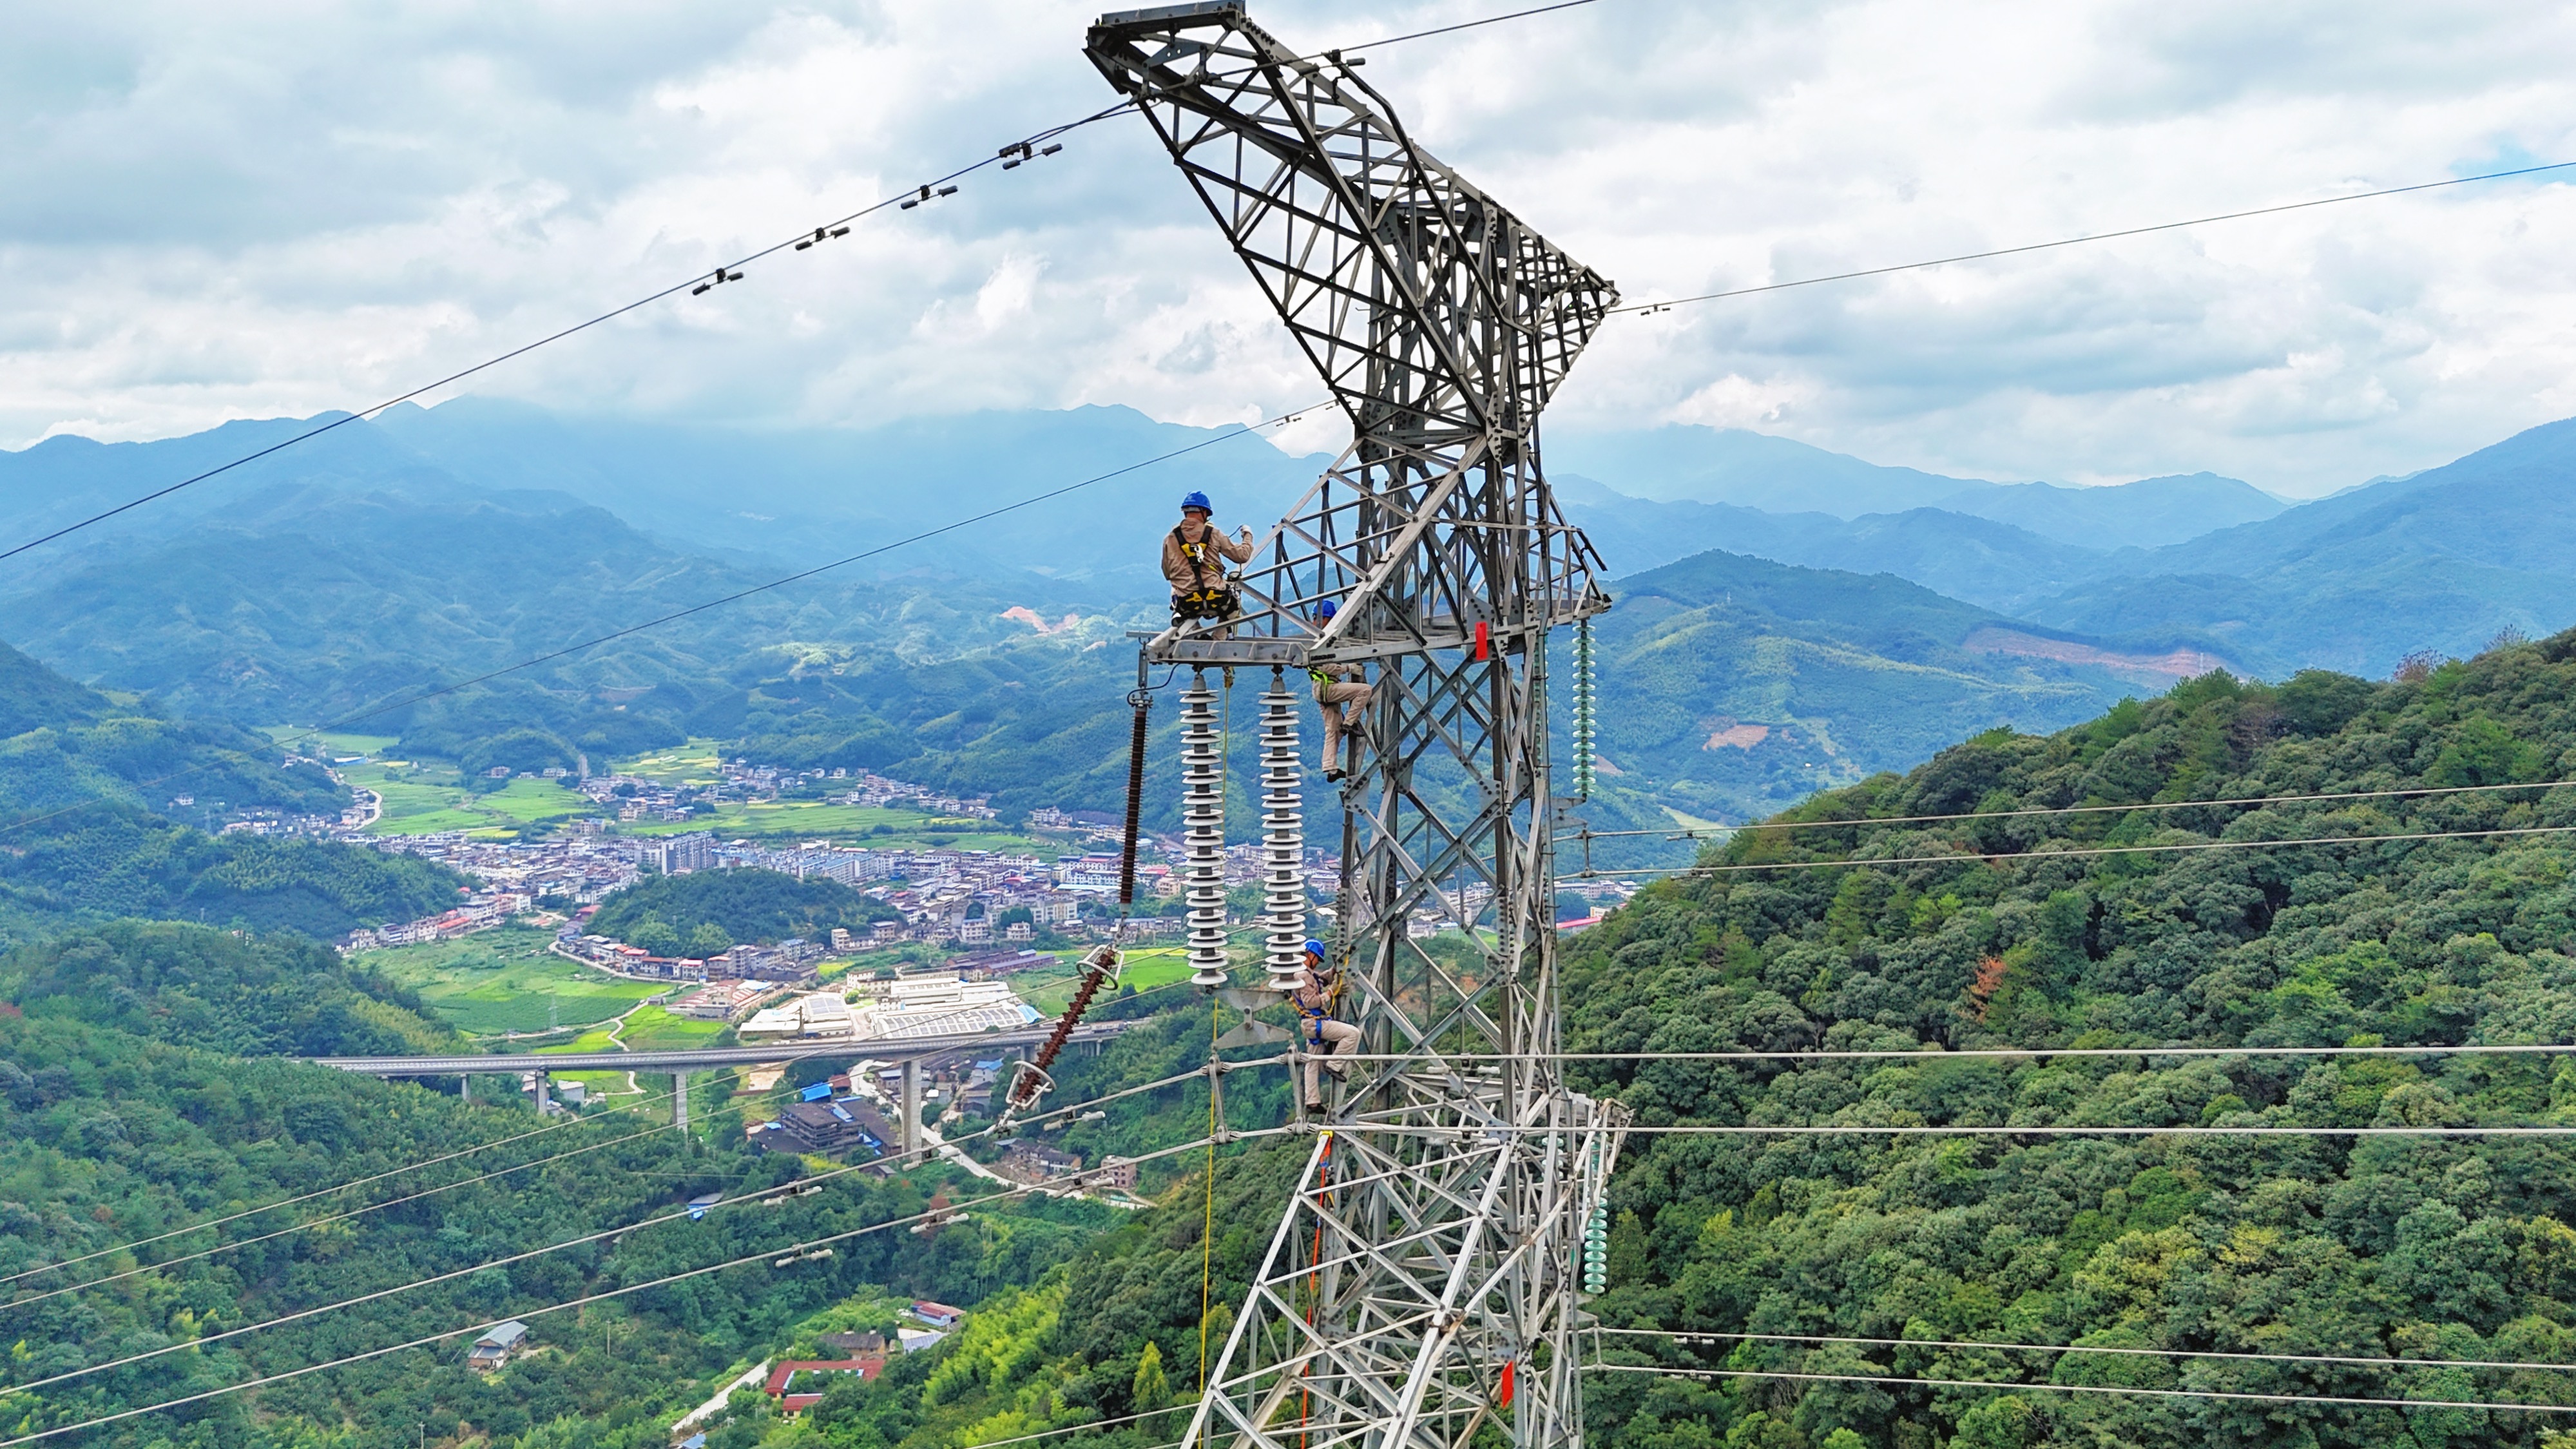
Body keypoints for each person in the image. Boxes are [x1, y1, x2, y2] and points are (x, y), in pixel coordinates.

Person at [1162, 490, 1254, 628]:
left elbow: (1167, 573)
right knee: (1233, 605)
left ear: (1185, 512)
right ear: (1204, 512)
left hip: (1188, 602)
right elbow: (1242, 556)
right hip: (1217, 598)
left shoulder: (1170, 539)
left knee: (1175, 592)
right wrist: (1248, 536)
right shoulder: (1214, 534)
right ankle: (1219, 637)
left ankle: (1196, 633)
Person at [1293, 938, 1361, 1110]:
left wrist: (1336, 969)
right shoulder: (1303, 976)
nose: (1317, 962)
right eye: (1317, 958)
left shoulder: (1306, 974)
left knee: (1312, 1062)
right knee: (1352, 1034)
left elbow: (1322, 979)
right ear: (1310, 955)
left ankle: (1312, 1102)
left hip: (1311, 1025)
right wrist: (1331, 993)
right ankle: (1334, 1065)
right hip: (1315, 1023)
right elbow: (1311, 1002)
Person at [1308, 599, 1371, 782]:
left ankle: (1331, 768)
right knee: (1365, 690)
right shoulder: (1320, 641)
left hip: (1321, 690)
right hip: (1328, 688)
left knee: (1333, 730)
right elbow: (1324, 667)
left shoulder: (1317, 638)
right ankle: (1350, 723)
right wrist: (1348, 668)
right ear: (1327, 618)